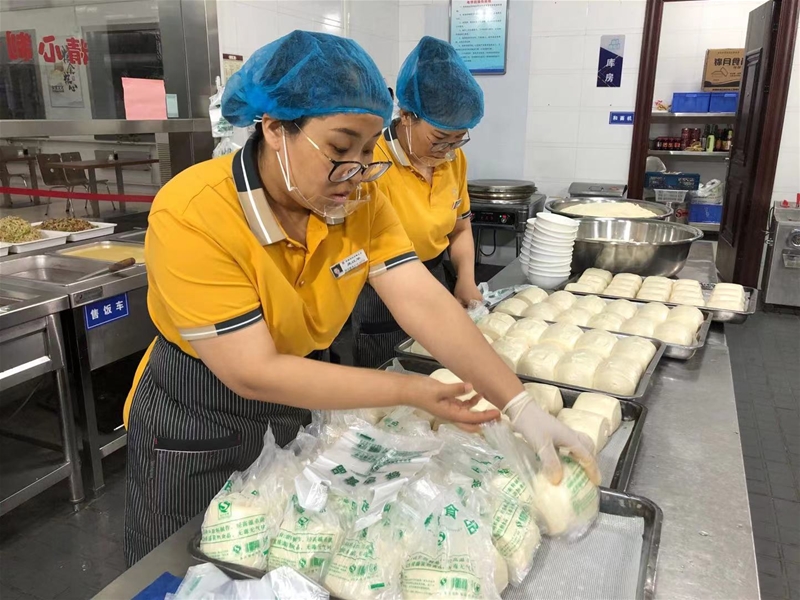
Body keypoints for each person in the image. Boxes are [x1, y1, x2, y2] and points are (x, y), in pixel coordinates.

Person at [123, 30, 598, 566]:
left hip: (298, 395)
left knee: (280, 559)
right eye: (339, 148)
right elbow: (251, 370)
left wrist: (520, 406)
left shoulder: (358, 200)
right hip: (199, 413)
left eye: (369, 149)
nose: (357, 171)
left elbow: (422, 300)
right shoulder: (194, 211)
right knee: (183, 568)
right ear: (275, 128)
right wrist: (410, 390)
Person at [352, 37, 484, 368]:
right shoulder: (371, 160)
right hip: (379, 291)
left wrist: (466, 278)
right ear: (407, 115)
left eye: (458, 139)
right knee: (390, 376)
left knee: (441, 370)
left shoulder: (454, 160)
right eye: (439, 138)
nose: (447, 150)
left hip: (436, 277)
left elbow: (460, 229)